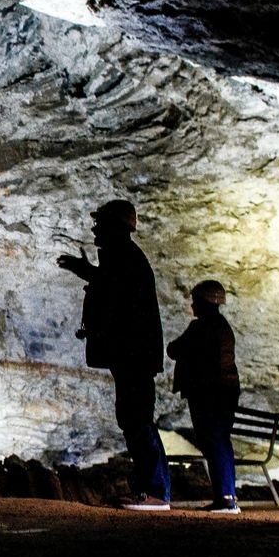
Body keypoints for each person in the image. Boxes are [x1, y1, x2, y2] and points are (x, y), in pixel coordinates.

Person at [57, 199, 171, 511]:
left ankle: (155, 492)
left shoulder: (124, 257)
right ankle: (155, 490)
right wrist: (89, 273)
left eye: (101, 223)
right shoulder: (123, 258)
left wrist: (88, 273)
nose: (95, 229)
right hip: (133, 354)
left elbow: (115, 295)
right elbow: (112, 288)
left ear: (115, 227)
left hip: (133, 354)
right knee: (136, 419)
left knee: (137, 419)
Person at [167, 280, 242, 514]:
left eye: (195, 301)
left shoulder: (201, 327)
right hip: (226, 392)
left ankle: (225, 499)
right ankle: (228, 495)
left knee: (213, 441)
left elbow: (174, 349)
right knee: (221, 441)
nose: (192, 305)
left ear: (203, 302)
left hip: (207, 392)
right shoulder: (223, 327)